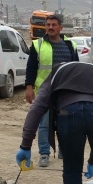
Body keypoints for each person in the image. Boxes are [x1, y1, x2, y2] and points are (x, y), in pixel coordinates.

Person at [24, 14, 79, 167]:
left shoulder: (70, 45)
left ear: (60, 28)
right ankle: (44, 153)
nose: (50, 27)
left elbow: (75, 69)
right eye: (48, 25)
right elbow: (31, 68)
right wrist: (29, 87)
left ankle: (63, 149)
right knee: (44, 124)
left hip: (65, 91)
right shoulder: (38, 45)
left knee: (65, 121)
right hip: (44, 91)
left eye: (54, 25)